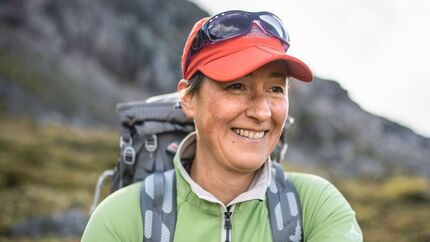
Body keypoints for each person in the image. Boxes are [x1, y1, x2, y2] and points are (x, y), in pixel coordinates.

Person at [82, 10, 363, 242]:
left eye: (276, 88)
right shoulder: (122, 219)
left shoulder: (316, 207)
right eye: (237, 86)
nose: (262, 111)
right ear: (189, 98)